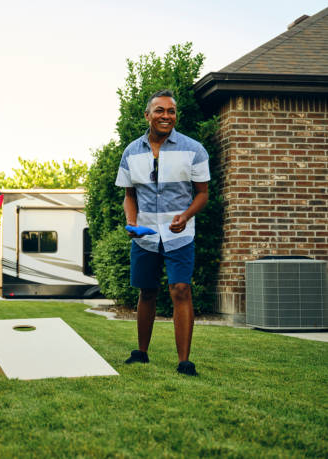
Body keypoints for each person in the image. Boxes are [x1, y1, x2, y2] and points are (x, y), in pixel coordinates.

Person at [115, 89, 210, 376]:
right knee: (147, 291)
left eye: (171, 111)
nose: (166, 116)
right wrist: (131, 222)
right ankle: (141, 353)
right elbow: (129, 195)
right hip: (144, 235)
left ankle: (184, 362)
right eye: (160, 110)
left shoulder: (194, 150)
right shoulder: (131, 151)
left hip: (179, 233)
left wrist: (186, 215)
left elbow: (203, 194)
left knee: (180, 289)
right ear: (147, 115)